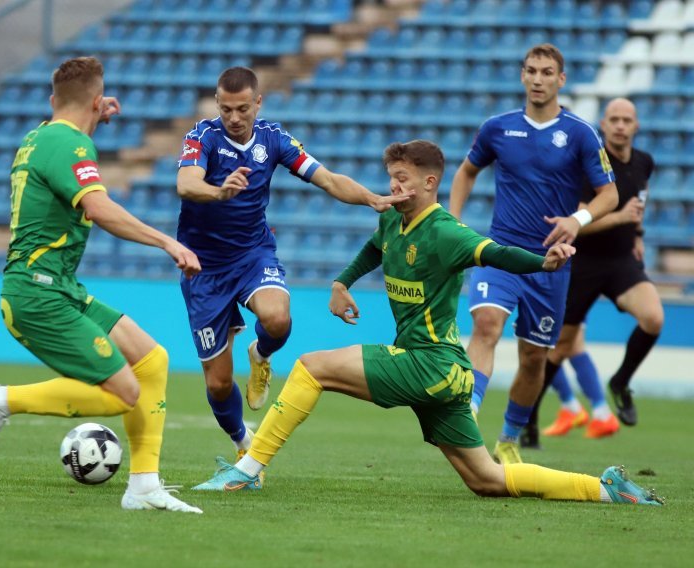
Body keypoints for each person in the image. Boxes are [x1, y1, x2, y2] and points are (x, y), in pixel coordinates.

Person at [189, 140, 662, 507]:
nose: (393, 187)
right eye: (391, 178)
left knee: (312, 368)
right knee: (487, 481)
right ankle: (604, 490)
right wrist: (343, 282)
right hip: (443, 374)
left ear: (431, 182)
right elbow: (376, 248)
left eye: (401, 180)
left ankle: (246, 470)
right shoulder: (394, 219)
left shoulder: (444, 231)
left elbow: (493, 252)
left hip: (429, 363)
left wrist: (545, 263)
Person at [0, 56, 203, 513]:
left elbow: (67, 126)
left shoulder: (40, 137)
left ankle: (144, 487)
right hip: (36, 293)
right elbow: (99, 208)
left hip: (58, 286)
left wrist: (91, 113)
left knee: (152, 360)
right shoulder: (68, 145)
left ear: (54, 101)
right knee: (124, 392)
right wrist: (167, 243)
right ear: (96, 102)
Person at [175, 66, 411, 468]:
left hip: (252, 256)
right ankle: (242, 440)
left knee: (278, 320)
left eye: (243, 108)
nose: (234, 117)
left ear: (258, 103)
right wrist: (219, 191)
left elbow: (329, 179)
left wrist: (371, 198)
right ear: (217, 104)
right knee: (217, 384)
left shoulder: (274, 139)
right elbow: (185, 183)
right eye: (226, 108)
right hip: (204, 268)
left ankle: (260, 353)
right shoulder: (202, 137)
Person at [448, 44, 619, 465]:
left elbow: (610, 194)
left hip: (552, 261)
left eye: (547, 72)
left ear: (561, 80)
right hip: (501, 251)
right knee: (485, 324)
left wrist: (577, 219)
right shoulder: (497, 128)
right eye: (531, 71)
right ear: (522, 76)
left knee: (533, 357)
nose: (538, 79)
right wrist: (451, 223)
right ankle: (466, 413)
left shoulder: (579, 133)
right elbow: (467, 170)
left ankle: (508, 438)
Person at [527, 97, 663, 442]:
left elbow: (638, 205)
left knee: (653, 318)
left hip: (621, 263)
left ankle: (620, 382)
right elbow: (577, 224)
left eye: (626, 120)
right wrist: (620, 218)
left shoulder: (645, 162)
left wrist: (638, 234)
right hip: (583, 263)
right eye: (613, 119)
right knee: (559, 348)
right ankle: (526, 421)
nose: (619, 125)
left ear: (636, 126)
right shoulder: (591, 163)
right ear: (603, 125)